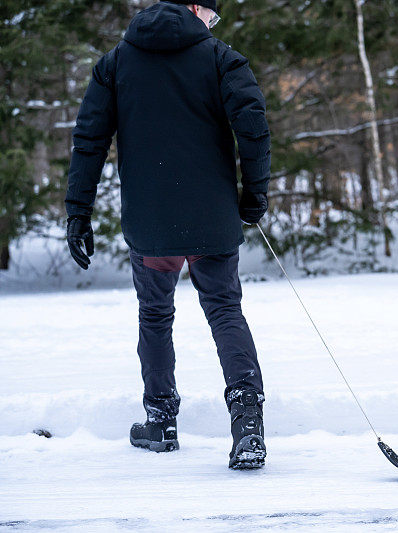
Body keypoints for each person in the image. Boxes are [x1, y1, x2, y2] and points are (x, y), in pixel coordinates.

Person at [64, 0, 271, 469]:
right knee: (224, 311)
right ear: (197, 8)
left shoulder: (117, 61)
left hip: (150, 221)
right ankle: (248, 427)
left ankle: (160, 421)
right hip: (211, 218)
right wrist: (254, 196)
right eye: (212, 16)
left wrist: (78, 211)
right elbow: (254, 130)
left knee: (155, 315)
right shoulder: (222, 59)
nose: (213, 25)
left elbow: (90, 137)